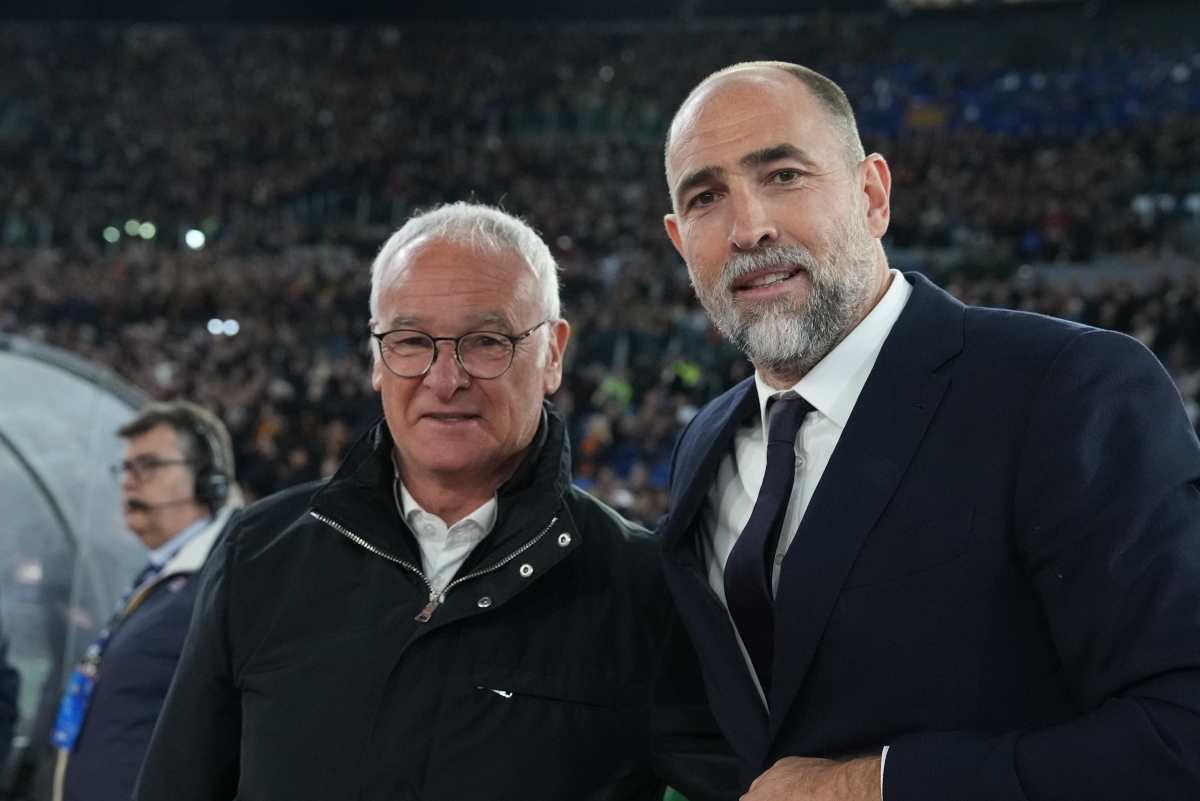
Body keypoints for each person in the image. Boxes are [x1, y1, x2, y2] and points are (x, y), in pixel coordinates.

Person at [657, 60, 1200, 801]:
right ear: (678, 239)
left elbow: (1181, 733)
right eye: (706, 197)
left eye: (783, 175)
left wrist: (875, 786)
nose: (749, 228)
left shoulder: (1066, 386)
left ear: (873, 194)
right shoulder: (704, 444)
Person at [135, 202, 730, 801]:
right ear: (377, 357)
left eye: (487, 342)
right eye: (411, 341)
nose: (445, 379)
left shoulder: (643, 588)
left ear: (553, 353)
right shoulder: (259, 550)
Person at [51, 401, 240, 801]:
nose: (129, 482)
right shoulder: (159, 573)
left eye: (149, 466)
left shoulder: (228, 577)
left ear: (209, 481)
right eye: (126, 468)